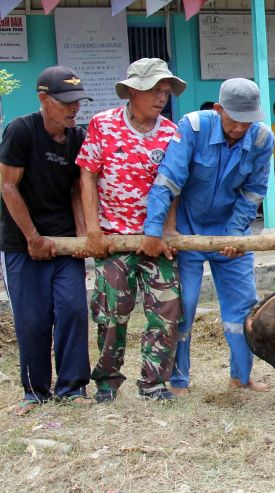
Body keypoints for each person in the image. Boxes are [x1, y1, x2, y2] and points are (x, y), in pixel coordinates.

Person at [141, 78, 273, 394]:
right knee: (183, 306)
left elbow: (254, 193)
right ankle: (179, 380)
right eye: (234, 120)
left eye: (248, 121)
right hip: (188, 234)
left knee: (242, 309)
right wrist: (154, 230)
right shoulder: (193, 128)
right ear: (218, 109)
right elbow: (168, 181)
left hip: (233, 234)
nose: (241, 127)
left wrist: (233, 235)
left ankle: (241, 377)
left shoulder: (261, 139)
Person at [77, 58, 186, 402]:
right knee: (111, 313)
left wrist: (167, 232)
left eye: (166, 91)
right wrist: (92, 229)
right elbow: (87, 175)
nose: (162, 97)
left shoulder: (170, 132)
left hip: (156, 240)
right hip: (114, 238)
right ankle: (107, 382)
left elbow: (173, 187)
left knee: (167, 311)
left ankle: (153, 383)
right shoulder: (102, 125)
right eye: (155, 90)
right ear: (133, 91)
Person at [0, 66, 93, 415]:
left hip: (64, 241)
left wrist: (83, 231)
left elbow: (75, 187)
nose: (74, 109)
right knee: (32, 319)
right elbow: (7, 187)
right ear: (43, 99)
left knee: (72, 309)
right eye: (66, 102)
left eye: (78, 102)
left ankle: (72, 387)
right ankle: (35, 391)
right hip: (22, 243)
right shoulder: (21, 131)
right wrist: (32, 237)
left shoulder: (77, 137)